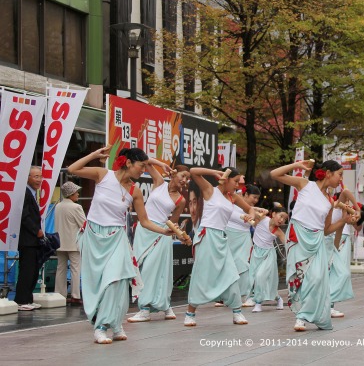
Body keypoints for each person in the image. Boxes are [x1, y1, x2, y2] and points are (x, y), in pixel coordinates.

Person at [68, 147, 174, 344]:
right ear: (128, 163)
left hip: (117, 238)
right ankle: (115, 324)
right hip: (93, 236)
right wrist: (93, 155)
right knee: (96, 284)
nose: (143, 170)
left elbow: (145, 221)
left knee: (116, 281)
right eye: (141, 166)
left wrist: (165, 231)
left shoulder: (135, 191)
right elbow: (72, 169)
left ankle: (103, 327)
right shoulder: (102, 175)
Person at [270, 159, 342, 332]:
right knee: (300, 277)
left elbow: (326, 229)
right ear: (328, 173)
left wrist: (345, 220)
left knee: (317, 278)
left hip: (317, 240)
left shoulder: (329, 201)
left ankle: (316, 315)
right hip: (298, 236)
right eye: (339, 175)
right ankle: (301, 317)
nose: (341, 179)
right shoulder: (304, 184)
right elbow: (275, 174)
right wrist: (296, 166)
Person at [184, 167, 257, 327]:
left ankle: (237, 312)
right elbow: (194, 171)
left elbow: (250, 209)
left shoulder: (233, 197)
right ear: (226, 178)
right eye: (235, 181)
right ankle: (190, 313)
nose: (238, 185)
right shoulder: (210, 190)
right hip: (206, 235)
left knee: (230, 273)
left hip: (222, 237)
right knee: (201, 273)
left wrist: (250, 215)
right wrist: (214, 173)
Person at [128, 165, 190, 323]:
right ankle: (165, 307)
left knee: (156, 270)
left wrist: (181, 235)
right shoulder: (159, 181)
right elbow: (146, 162)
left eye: (187, 178)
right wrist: (163, 165)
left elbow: (173, 222)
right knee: (141, 268)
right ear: (174, 173)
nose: (184, 180)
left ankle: (147, 309)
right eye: (182, 176)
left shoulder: (181, 200)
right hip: (144, 229)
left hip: (162, 233)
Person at [325, 189, 360, 318]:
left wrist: (357, 213)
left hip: (338, 242)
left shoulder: (345, 212)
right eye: (345, 201)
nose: (347, 202)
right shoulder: (332, 206)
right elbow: (345, 192)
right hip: (325, 241)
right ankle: (325, 305)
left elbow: (356, 226)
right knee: (326, 275)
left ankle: (330, 304)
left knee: (341, 273)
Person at [226, 185, 262, 308]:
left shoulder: (253, 209)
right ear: (245, 195)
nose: (255, 200)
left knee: (244, 264)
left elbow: (257, 223)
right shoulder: (233, 202)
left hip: (244, 238)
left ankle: (246, 295)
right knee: (229, 265)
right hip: (229, 235)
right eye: (254, 197)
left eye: (257, 198)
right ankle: (226, 296)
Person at [15, 166, 45, 311]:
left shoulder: (32, 194)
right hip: (27, 239)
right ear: (27, 178)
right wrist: (36, 230)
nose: (39, 180)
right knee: (27, 269)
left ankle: (28, 298)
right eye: (36, 176)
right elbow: (24, 216)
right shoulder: (25, 194)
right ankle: (21, 300)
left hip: (33, 240)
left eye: (40, 176)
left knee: (33, 270)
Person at [249, 207, 288, 313]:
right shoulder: (262, 219)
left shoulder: (278, 231)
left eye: (284, 219)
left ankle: (258, 303)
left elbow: (287, 243)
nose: (282, 220)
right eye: (281, 216)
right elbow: (249, 209)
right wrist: (262, 210)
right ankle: (278, 298)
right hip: (256, 253)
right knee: (255, 278)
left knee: (259, 276)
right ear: (274, 214)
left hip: (268, 255)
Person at [54, 181, 86, 305]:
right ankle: (75, 295)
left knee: (60, 268)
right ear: (71, 193)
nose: (78, 194)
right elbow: (84, 224)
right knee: (75, 269)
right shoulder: (76, 207)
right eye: (76, 192)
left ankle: (59, 294)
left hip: (60, 242)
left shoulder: (58, 206)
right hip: (73, 243)